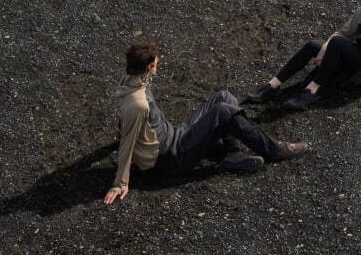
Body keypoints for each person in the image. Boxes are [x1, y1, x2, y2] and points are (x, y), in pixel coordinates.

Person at [103, 39, 307, 206]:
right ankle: (274, 150)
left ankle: (233, 154)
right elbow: (128, 139)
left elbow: (125, 123)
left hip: (175, 134)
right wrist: (120, 183)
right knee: (223, 112)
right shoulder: (137, 103)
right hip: (173, 157)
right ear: (149, 67)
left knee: (224, 97)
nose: (159, 65)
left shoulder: (133, 78)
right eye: (157, 63)